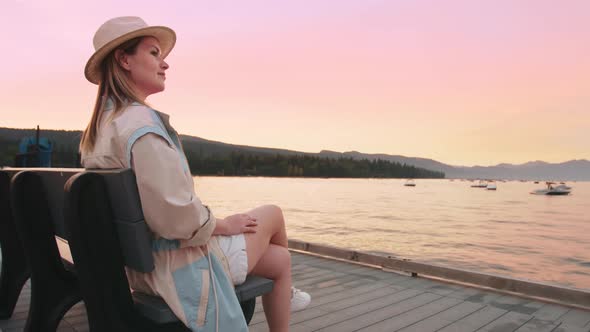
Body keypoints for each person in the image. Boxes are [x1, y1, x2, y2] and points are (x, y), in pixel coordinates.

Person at [79, 16, 310, 331]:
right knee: (273, 213)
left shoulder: (101, 130)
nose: (165, 63)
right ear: (124, 59)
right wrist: (222, 224)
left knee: (280, 261)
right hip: (180, 268)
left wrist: (215, 224)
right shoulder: (141, 127)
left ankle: (287, 289)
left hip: (143, 264)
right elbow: (175, 217)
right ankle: (288, 293)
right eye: (154, 53)